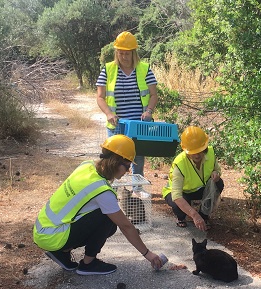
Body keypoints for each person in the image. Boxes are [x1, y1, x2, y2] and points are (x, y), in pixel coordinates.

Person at [33, 134, 163, 275]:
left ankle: (61, 252)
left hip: (43, 231)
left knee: (109, 222)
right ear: (117, 163)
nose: (128, 171)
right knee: (108, 218)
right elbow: (126, 226)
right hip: (53, 237)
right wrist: (148, 254)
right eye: (128, 166)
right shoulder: (102, 191)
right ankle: (88, 264)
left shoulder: (87, 165)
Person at [96, 31, 158, 193]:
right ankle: (111, 190)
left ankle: (137, 188)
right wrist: (109, 114)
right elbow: (100, 97)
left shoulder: (145, 69)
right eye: (120, 53)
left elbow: (153, 95)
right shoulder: (108, 70)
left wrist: (149, 111)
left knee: (137, 157)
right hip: (116, 124)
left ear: (133, 53)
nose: (123, 56)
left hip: (138, 124)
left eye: (127, 53)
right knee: (114, 158)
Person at [162, 126, 224, 231]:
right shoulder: (180, 163)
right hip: (180, 193)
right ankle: (181, 218)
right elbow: (177, 196)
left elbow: (217, 169)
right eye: (193, 152)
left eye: (200, 150)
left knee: (219, 183)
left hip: (199, 189)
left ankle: (204, 216)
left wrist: (216, 173)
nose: (197, 155)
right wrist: (194, 215)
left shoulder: (210, 153)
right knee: (179, 206)